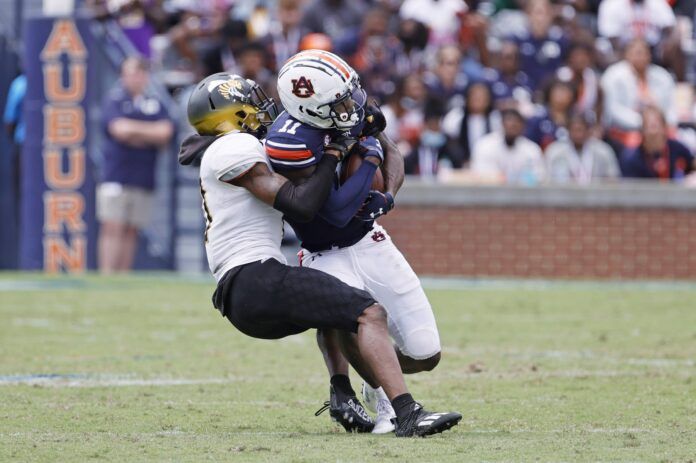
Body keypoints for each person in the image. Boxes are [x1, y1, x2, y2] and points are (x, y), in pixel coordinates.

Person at [179, 71, 461, 438]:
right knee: (367, 313)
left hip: (248, 285)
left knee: (336, 305)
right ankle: (405, 414)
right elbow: (303, 204)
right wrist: (333, 151)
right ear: (232, 114)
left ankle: (343, 393)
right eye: (252, 102)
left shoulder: (229, 148)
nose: (264, 108)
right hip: (252, 278)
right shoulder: (232, 148)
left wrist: (346, 125)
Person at [266, 50, 447, 434]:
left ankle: (374, 372)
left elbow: (392, 152)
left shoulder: (349, 112)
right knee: (354, 319)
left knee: (426, 353)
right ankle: (391, 405)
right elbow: (334, 212)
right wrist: (366, 162)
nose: (352, 105)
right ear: (311, 107)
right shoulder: (289, 144)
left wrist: (389, 196)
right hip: (322, 251)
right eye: (340, 101)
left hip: (370, 239)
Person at [98, 57, 174, 273]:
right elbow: (118, 129)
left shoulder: (154, 102)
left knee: (132, 228)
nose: (134, 78)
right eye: (130, 73)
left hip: (143, 176)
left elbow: (165, 132)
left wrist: (134, 132)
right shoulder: (114, 99)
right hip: (116, 174)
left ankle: (122, 275)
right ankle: (107, 274)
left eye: (139, 73)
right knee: (113, 226)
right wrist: (148, 132)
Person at [601, 38, 676, 150]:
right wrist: (644, 124)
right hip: (625, 129)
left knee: (677, 142)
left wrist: (664, 123)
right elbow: (612, 110)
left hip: (658, 128)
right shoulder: (614, 76)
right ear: (627, 54)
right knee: (636, 145)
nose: (641, 57)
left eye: (644, 53)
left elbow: (671, 107)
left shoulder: (662, 76)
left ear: (650, 55)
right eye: (637, 53)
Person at [471, 107, 546, 184]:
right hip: (491, 193)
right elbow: (481, 175)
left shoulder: (531, 149)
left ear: (523, 127)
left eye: (516, 124)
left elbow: (539, 176)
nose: (512, 126)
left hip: (523, 194)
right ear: (502, 124)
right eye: (509, 122)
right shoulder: (485, 145)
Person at [621, 106, 694, 180]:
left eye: (656, 126)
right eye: (648, 127)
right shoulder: (631, 157)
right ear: (642, 130)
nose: (653, 132)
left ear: (664, 128)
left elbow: (692, 163)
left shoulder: (676, 148)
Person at [546, 112, 620, 184]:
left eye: (580, 130)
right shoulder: (555, 152)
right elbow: (546, 179)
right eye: (574, 131)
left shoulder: (603, 151)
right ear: (568, 131)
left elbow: (613, 179)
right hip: (563, 194)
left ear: (588, 131)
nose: (578, 135)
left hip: (597, 194)